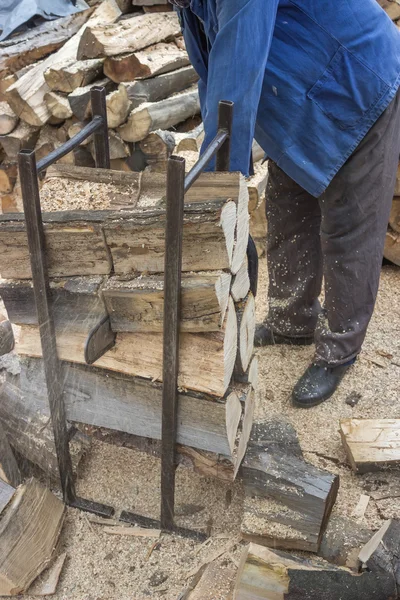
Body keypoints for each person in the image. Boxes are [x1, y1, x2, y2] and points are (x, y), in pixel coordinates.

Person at [170, 0, 400, 408]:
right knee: (288, 204)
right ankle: (291, 321)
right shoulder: (187, 3)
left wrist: (225, 195)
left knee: (349, 223)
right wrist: (217, 181)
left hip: (357, 76)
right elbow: (212, 76)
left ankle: (339, 350)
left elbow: (235, 86)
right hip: (298, 87)